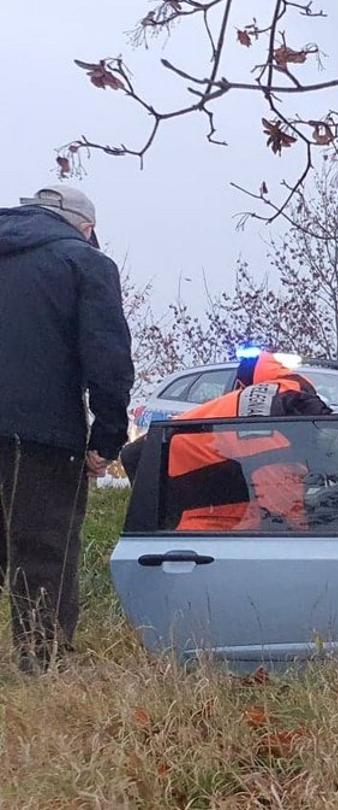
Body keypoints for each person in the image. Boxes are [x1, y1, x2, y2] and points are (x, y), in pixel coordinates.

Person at [0, 184, 134, 672]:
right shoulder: (83, 262)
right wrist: (107, 438)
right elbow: (108, 358)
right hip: (41, 436)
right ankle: (42, 661)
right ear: (85, 226)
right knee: (43, 548)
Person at [162, 351, 332, 532]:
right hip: (207, 524)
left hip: (216, 506)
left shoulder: (277, 401)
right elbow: (280, 501)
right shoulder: (274, 417)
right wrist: (304, 531)